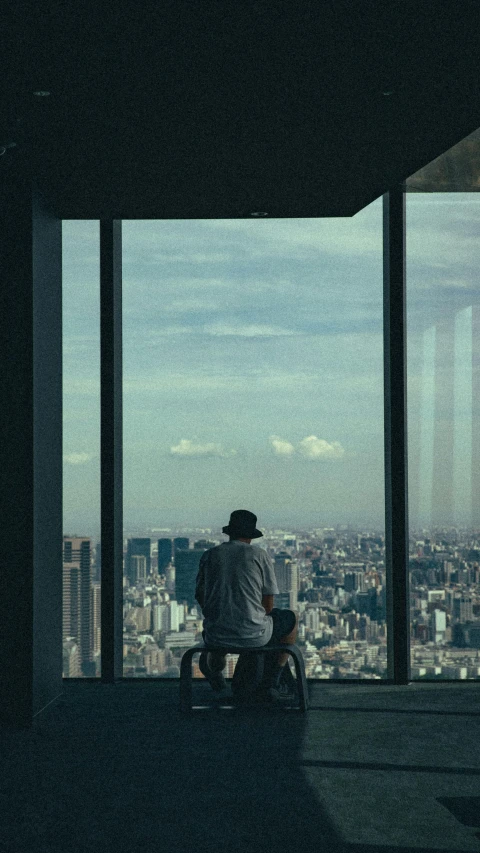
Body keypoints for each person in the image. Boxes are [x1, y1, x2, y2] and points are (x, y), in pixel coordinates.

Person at [194, 509, 298, 703]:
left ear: (230, 532)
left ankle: (216, 673)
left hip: (215, 633)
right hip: (254, 636)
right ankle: (274, 679)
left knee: (217, 637)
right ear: (251, 535)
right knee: (292, 618)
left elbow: (200, 596)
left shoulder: (210, 555)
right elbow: (268, 605)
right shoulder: (259, 555)